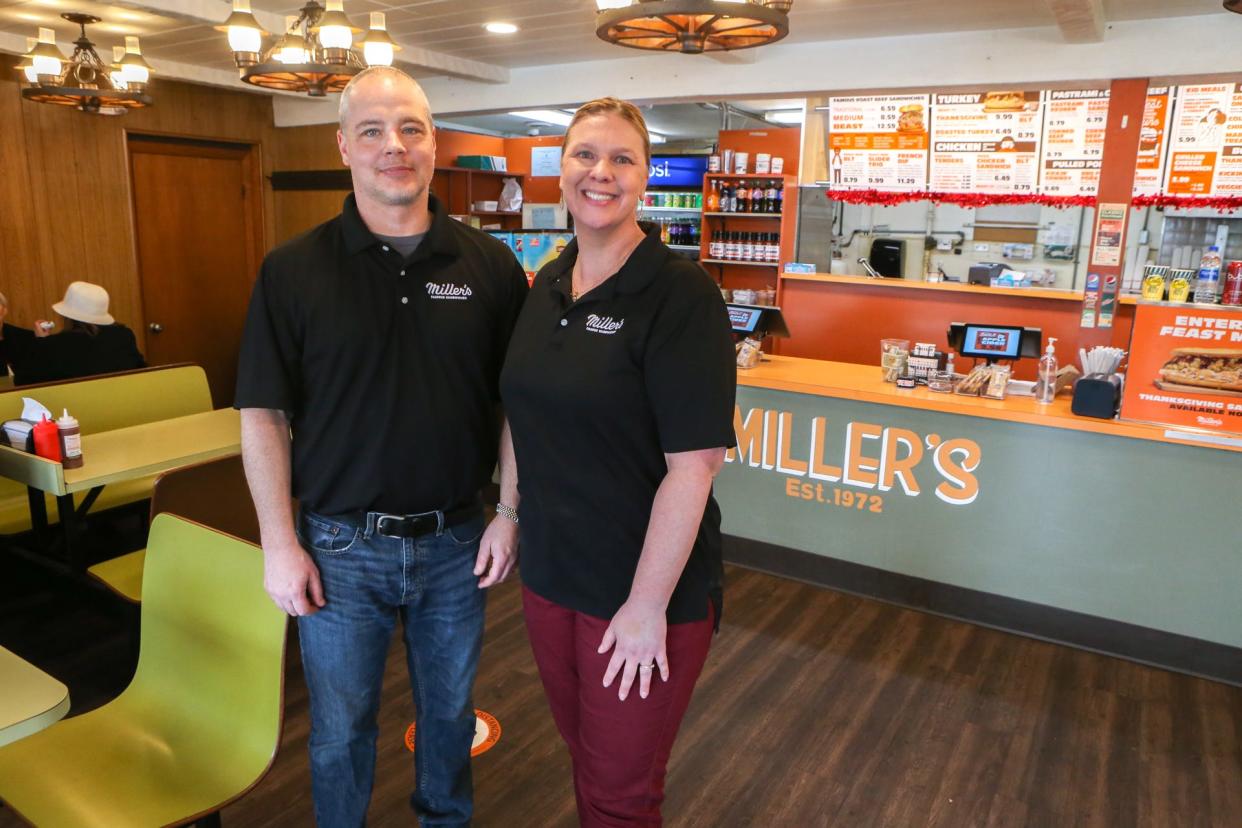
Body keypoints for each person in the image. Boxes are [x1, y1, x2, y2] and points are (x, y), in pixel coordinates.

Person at [234, 66, 526, 828]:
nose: (393, 146)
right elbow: (263, 413)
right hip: (337, 547)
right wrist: (277, 542)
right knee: (337, 733)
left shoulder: (490, 266)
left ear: (434, 144)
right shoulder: (293, 270)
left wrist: (511, 512)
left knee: (450, 720)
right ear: (343, 145)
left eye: (412, 129)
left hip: (458, 541)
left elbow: (517, 407)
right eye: (372, 131)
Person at [499, 98, 737, 826]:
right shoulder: (546, 281)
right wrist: (508, 513)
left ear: (643, 177)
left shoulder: (680, 293)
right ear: (561, 169)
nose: (600, 172)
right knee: (588, 759)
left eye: (622, 159)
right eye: (584, 155)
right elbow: (521, 410)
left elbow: (694, 467)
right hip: (549, 576)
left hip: (641, 595)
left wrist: (644, 607)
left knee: (621, 790)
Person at [0, 282, 145, 385]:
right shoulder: (124, 335)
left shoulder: (56, 345)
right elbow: (141, 369)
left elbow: (24, 381)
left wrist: (42, 343)